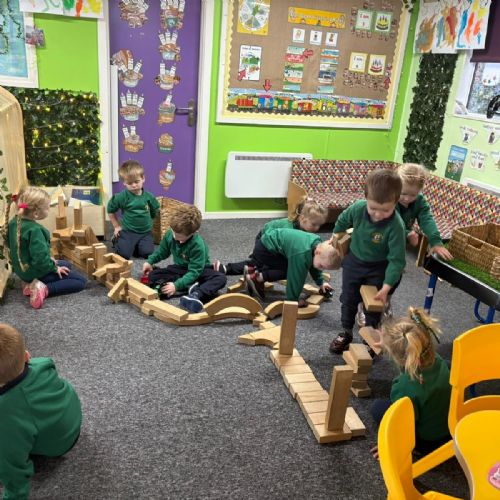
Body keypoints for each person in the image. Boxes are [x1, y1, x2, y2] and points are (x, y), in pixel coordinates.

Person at [0, 323, 82, 499]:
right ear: (27, 356)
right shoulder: (39, 364)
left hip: (60, 443)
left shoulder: (6, 416)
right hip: (70, 415)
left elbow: (12, 469)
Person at [329, 169, 406, 354]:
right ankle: (346, 332)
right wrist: (336, 233)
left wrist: (386, 287)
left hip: (379, 268)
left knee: (373, 305)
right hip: (354, 262)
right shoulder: (358, 208)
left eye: (385, 210)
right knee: (348, 299)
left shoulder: (396, 226)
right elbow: (343, 219)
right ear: (366, 198)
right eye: (373, 209)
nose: (378, 215)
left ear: (396, 202)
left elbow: (397, 261)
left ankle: (369, 339)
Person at [369, 307, 451, 458]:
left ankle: (413, 448)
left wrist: (390, 443)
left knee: (377, 408)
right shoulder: (440, 361)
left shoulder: (404, 387)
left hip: (427, 443)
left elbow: (401, 422)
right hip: (450, 431)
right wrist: (388, 343)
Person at [7, 186, 87, 309]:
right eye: (47, 208)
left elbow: (18, 248)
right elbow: (40, 260)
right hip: (35, 271)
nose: (49, 210)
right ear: (36, 213)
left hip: (22, 271)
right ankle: (44, 289)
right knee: (80, 281)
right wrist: (54, 268)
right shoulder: (35, 231)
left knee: (66, 264)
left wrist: (51, 261)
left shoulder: (14, 222)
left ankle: (29, 283)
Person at [142, 204, 226, 313]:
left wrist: (176, 285)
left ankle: (197, 293)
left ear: (193, 233)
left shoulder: (197, 245)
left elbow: (194, 271)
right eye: (174, 233)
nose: (176, 238)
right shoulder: (171, 234)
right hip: (180, 268)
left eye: (181, 237)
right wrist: (150, 261)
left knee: (220, 278)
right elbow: (162, 252)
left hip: (199, 270)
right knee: (153, 275)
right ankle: (190, 286)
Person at [213, 198, 328, 275]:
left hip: (276, 243)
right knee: (259, 263)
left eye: (319, 225)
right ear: (302, 219)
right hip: (265, 239)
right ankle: (226, 268)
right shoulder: (288, 229)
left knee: (266, 263)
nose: (317, 228)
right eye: (314, 224)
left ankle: (255, 268)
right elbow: (268, 235)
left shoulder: (304, 231)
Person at [243, 227, 341, 304]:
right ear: (317, 252)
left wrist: (321, 283)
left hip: (270, 244)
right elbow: (296, 278)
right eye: (321, 266)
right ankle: (257, 278)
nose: (321, 268)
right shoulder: (302, 254)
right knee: (290, 271)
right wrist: (293, 301)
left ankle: (253, 270)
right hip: (265, 250)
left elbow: (314, 265)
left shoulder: (317, 245)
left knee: (294, 265)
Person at [397, 163, 453, 260]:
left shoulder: (419, 201)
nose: (407, 199)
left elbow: (427, 220)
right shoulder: (389, 198)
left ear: (419, 191)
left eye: (413, 195)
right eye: (403, 193)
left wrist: (436, 242)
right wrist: (406, 234)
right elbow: (388, 224)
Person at [107, 160, 160, 260]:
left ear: (143, 178)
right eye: (130, 183)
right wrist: (116, 226)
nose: (134, 185)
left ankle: (136, 246)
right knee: (124, 255)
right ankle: (118, 240)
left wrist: (150, 222)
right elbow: (110, 210)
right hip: (128, 231)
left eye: (137, 181)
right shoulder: (122, 197)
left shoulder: (149, 196)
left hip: (145, 232)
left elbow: (155, 210)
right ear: (124, 183)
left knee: (147, 253)